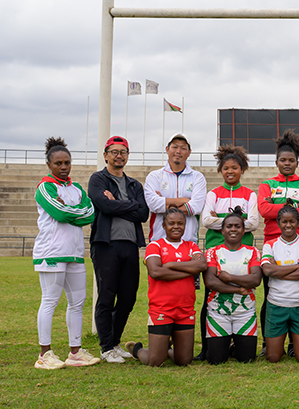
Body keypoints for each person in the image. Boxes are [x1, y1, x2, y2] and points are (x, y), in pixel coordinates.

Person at [33, 137, 99, 369]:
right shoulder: (45, 187)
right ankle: (45, 354)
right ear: (49, 165)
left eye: (67, 163)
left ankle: (75, 352)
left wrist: (70, 209)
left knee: (77, 303)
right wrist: (74, 211)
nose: (63, 167)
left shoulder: (77, 188)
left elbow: (90, 213)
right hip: (51, 253)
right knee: (50, 301)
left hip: (74, 253)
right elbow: (60, 214)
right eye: (58, 163)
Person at [88, 135, 149, 363]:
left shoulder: (134, 184)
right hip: (106, 245)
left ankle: (115, 341)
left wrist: (118, 204)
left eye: (123, 151)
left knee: (128, 298)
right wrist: (127, 205)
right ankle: (106, 347)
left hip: (130, 245)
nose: (119, 155)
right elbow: (103, 204)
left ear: (127, 156)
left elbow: (143, 214)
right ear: (105, 155)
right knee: (107, 295)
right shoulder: (98, 179)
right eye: (114, 151)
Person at [257, 130, 299, 356]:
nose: (287, 163)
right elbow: (263, 209)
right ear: (277, 162)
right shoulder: (267, 183)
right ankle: (268, 342)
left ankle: (295, 343)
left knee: (298, 290)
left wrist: (278, 207)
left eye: (291, 160)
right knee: (271, 293)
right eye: (283, 160)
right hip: (273, 241)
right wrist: (291, 209)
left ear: (297, 162)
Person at [196, 144, 259, 361]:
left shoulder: (250, 194)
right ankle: (207, 347)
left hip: (243, 251)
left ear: (242, 169)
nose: (230, 171)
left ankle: (240, 339)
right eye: (225, 168)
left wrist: (221, 218)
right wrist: (236, 219)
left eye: (234, 167)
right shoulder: (213, 193)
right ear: (220, 170)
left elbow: (254, 223)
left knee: (243, 289)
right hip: (216, 249)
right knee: (210, 298)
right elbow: (205, 220)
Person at [126, 207, 207, 366]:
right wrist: (188, 271)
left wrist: (169, 265)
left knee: (184, 361)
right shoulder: (155, 246)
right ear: (164, 226)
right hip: (162, 309)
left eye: (180, 223)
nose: (176, 227)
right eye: (171, 223)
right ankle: (138, 350)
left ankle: (167, 349)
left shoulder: (191, 246)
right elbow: (156, 272)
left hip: (185, 309)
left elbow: (202, 264)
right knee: (155, 361)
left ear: (185, 225)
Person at [203, 207, 262, 364]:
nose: (233, 229)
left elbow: (256, 279)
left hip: (245, 312)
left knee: (247, 359)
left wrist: (229, 277)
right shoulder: (212, 252)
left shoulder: (253, 251)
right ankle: (224, 342)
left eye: (238, 226)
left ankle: (234, 342)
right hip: (218, 312)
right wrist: (238, 289)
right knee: (216, 360)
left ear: (244, 230)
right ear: (222, 231)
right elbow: (210, 282)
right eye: (229, 226)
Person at [261, 205, 299, 363]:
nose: (288, 225)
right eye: (284, 221)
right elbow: (267, 271)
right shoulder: (270, 245)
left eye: (292, 221)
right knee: (273, 357)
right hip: (276, 303)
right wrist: (298, 267)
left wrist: (278, 269)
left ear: (298, 222)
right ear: (278, 223)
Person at [144, 133, 207, 244]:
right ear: (167, 149)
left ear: (189, 152)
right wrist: (184, 200)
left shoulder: (197, 177)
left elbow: (195, 207)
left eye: (183, 148)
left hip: (188, 241)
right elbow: (154, 204)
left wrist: (165, 202)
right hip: (159, 240)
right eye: (175, 147)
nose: (178, 151)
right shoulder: (154, 176)